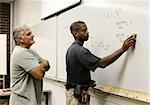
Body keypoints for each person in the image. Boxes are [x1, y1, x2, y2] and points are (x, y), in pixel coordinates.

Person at [65, 21, 136, 105]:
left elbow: (75, 70)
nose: (87, 32)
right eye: (84, 30)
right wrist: (122, 49)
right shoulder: (80, 51)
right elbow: (102, 63)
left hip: (74, 92)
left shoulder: (71, 49)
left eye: (87, 30)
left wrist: (86, 81)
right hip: (77, 95)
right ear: (76, 33)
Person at [9, 25, 50, 105]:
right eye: (28, 34)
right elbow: (40, 74)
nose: (33, 35)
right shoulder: (21, 53)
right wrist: (42, 65)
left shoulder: (30, 51)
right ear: (20, 39)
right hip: (23, 101)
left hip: (30, 101)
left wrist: (41, 65)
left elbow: (47, 65)